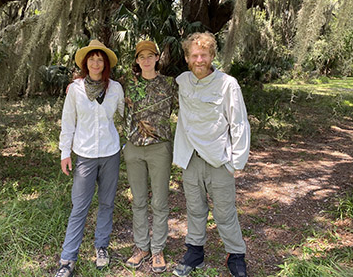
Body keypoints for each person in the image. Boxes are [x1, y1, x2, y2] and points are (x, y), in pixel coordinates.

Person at [172, 32, 250, 277]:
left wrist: (237, 161)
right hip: (191, 158)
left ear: (212, 56)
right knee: (195, 209)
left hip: (218, 159)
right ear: (186, 58)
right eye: (194, 55)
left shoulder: (228, 84)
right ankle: (195, 252)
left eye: (203, 55)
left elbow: (239, 123)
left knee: (225, 211)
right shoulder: (182, 81)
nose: (199, 60)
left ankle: (235, 254)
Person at [55, 39, 124, 277]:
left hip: (110, 154)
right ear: (86, 63)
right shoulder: (75, 89)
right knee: (79, 207)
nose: (96, 62)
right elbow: (68, 122)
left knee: (106, 203)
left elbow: (125, 116)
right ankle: (67, 259)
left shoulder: (115, 88)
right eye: (92, 59)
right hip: (84, 155)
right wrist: (65, 152)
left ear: (105, 64)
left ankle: (101, 247)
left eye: (100, 59)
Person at [122, 40, 177, 273]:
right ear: (137, 60)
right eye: (141, 56)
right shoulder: (128, 85)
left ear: (157, 58)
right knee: (139, 200)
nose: (145, 60)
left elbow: (192, 100)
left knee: (160, 202)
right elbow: (100, 90)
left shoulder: (170, 84)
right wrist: (76, 83)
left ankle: (157, 250)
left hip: (159, 148)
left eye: (150, 56)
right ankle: (141, 247)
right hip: (134, 148)